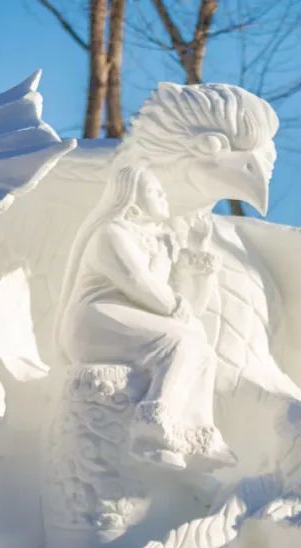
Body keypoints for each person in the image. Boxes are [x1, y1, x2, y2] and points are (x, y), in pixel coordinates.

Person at [58, 165, 235, 471]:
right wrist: (178, 311)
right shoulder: (110, 234)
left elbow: (192, 306)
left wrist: (197, 250)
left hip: (136, 319)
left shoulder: (162, 242)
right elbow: (138, 283)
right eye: (155, 191)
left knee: (201, 349)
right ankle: (153, 421)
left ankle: (193, 436)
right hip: (95, 321)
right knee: (179, 340)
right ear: (132, 199)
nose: (164, 195)